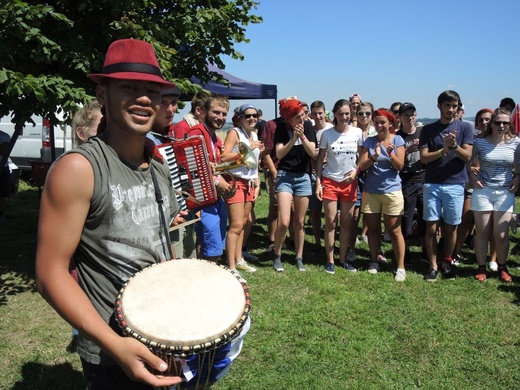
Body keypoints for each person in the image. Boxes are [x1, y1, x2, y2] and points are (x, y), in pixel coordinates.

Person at [35, 38, 183, 389]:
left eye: (152, 90)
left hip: (162, 329)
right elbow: (48, 273)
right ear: (102, 94)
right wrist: (115, 344)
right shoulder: (79, 169)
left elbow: (161, 245)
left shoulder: (158, 165)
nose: (144, 98)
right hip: (111, 344)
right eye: (129, 87)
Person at [419, 90, 473, 282]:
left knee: (451, 227)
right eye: (447, 105)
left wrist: (455, 147)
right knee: (431, 227)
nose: (451, 110)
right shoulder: (428, 129)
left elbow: (467, 156)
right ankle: (433, 266)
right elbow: (424, 158)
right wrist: (444, 150)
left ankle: (447, 262)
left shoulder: (465, 128)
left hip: (456, 184)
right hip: (432, 183)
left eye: (455, 106)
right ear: (439, 106)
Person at [469, 108, 520, 282]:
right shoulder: (480, 142)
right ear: (491, 124)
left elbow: (518, 166)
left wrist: (518, 177)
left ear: (509, 124)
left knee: (501, 234)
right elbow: (468, 163)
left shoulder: (516, 142)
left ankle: (502, 266)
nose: (501, 126)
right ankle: (482, 267)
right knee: (482, 232)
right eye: (497, 122)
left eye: (505, 123)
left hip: (505, 193)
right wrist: (473, 177)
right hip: (483, 191)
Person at [183, 94, 234, 263]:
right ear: (204, 111)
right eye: (216, 112)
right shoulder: (196, 134)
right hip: (203, 201)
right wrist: (218, 182)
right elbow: (191, 169)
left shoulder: (213, 136)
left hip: (215, 199)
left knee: (213, 246)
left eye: (224, 114)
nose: (220, 117)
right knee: (213, 252)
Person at [148, 86, 197, 260]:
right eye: (163, 103)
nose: (170, 109)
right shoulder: (144, 139)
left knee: (190, 256)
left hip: (182, 211)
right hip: (164, 219)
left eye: (174, 103)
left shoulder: (169, 135)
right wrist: (167, 214)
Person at [358, 109, 407, 281]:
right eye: (376, 122)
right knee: (373, 230)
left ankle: (400, 266)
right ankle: (374, 261)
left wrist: (391, 154)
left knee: (394, 230)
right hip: (371, 191)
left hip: (392, 191)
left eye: (382, 122)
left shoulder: (398, 140)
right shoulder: (370, 142)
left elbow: (400, 166)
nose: (379, 125)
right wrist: (374, 157)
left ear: (390, 124)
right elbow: (362, 166)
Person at [316, 99, 362, 274]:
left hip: (350, 183)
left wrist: (356, 173)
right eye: (341, 114)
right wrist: (318, 183)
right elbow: (320, 160)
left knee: (346, 223)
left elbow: (362, 157)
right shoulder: (327, 134)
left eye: (347, 114)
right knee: (330, 222)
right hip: (330, 181)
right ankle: (330, 260)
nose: (344, 117)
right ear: (334, 114)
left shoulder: (357, 133)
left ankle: (343, 259)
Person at [272, 98, 317, 272]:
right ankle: (277, 254)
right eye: (298, 117)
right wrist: (294, 139)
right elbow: (279, 154)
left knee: (299, 222)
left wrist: (303, 136)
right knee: (284, 221)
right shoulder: (281, 129)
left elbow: (313, 152)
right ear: (289, 119)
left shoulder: (309, 126)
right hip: (284, 176)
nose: (302, 119)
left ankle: (299, 256)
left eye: (303, 115)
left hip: (303, 177)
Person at [221, 104, 263, 276]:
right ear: (240, 117)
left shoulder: (253, 134)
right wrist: (249, 149)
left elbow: (254, 164)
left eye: (255, 115)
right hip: (236, 182)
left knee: (244, 224)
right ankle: (231, 266)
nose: (252, 118)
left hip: (249, 183)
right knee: (236, 225)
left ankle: (239, 260)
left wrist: (256, 178)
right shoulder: (235, 133)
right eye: (248, 116)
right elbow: (224, 156)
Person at [395, 102, 427, 265]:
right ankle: (405, 252)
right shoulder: (397, 136)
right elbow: (394, 161)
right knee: (407, 218)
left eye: (412, 114)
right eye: (406, 115)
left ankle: (425, 251)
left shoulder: (423, 132)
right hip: (406, 180)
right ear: (400, 117)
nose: (410, 118)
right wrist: (408, 150)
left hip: (424, 177)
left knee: (425, 217)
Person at [308, 100, 333, 252]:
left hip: (330, 174)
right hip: (312, 173)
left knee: (332, 214)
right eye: (315, 113)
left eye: (320, 113)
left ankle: (331, 243)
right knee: (315, 212)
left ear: (325, 112)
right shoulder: (309, 130)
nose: (318, 116)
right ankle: (317, 242)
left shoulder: (331, 129)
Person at [0, 130, 11, 222]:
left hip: (3, 167)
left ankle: (1, 214)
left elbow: (4, 151)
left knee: (2, 193)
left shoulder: (5, 136)